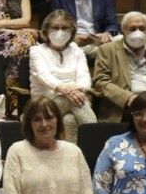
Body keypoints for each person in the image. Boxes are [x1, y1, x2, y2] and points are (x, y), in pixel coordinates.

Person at [29, 9, 97, 139]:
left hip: (76, 98)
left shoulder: (77, 51)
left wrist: (78, 89)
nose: (60, 31)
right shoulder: (36, 51)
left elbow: (84, 77)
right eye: (55, 27)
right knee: (75, 102)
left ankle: (73, 154)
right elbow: (44, 76)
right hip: (44, 104)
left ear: (72, 31)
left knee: (70, 120)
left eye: (65, 28)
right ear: (46, 30)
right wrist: (67, 90)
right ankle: (95, 140)